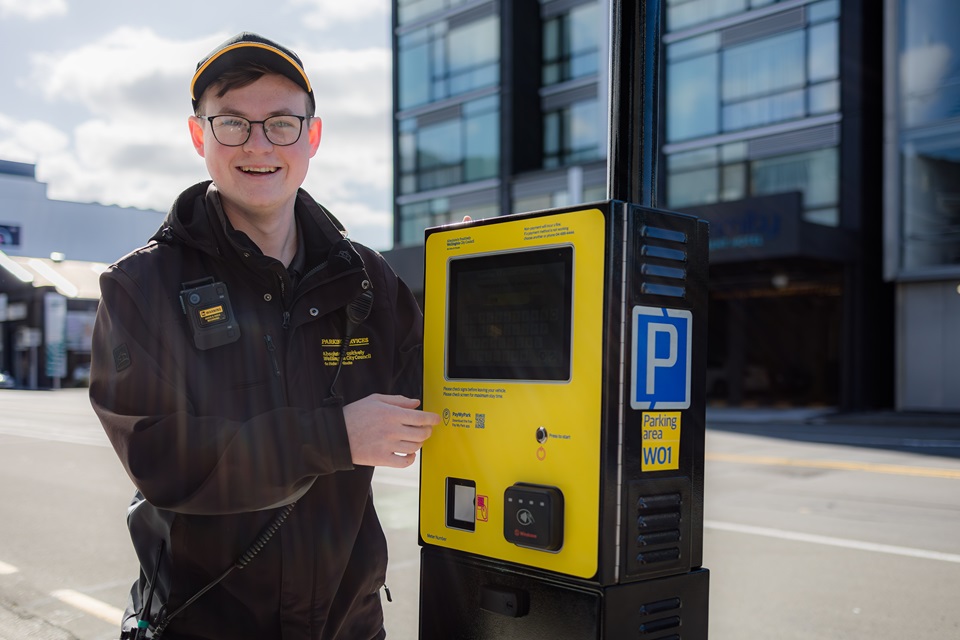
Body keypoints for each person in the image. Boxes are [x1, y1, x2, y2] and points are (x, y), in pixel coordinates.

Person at [89, 32, 438, 640]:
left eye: (280, 123)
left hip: (347, 627)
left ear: (312, 136)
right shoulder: (139, 286)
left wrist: (483, 277)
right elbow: (160, 456)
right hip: (200, 622)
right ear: (200, 135)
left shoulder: (368, 280)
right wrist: (333, 437)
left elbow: (445, 392)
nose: (258, 144)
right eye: (232, 123)